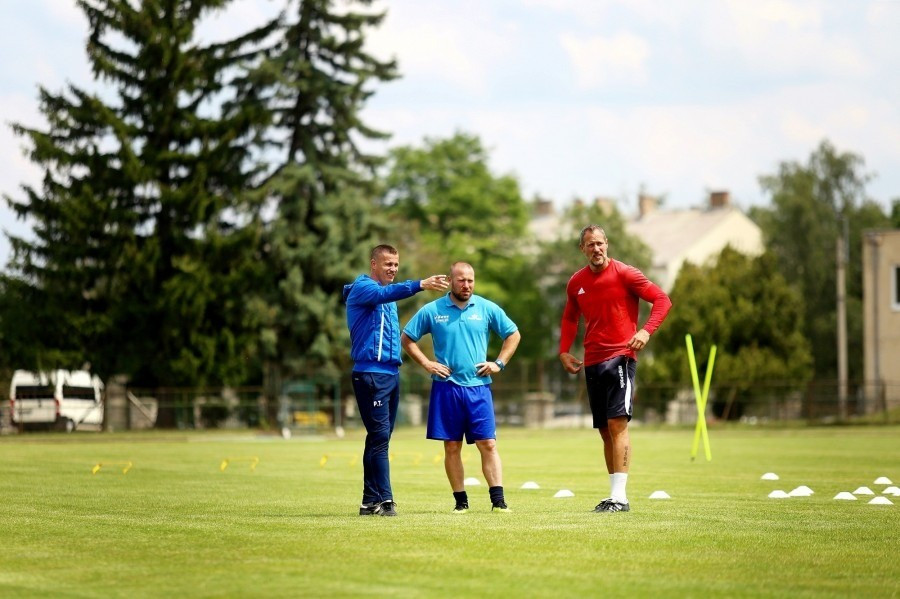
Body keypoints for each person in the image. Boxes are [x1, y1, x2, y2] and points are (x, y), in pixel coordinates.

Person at [559, 225, 672, 513]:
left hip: (621, 357)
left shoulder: (625, 273)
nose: (595, 249)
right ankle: (613, 495)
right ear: (582, 249)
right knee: (604, 431)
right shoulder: (576, 282)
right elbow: (570, 318)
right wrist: (563, 350)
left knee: (617, 423)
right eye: (589, 245)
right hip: (592, 361)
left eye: (599, 243)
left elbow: (662, 300)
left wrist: (646, 331)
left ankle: (621, 497)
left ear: (606, 244)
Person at [401, 262, 521, 513]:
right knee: (452, 446)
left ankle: (498, 502)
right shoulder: (433, 310)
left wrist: (499, 363)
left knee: (488, 443)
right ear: (451, 281)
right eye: (461, 280)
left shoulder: (486, 307)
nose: (466, 285)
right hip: (446, 388)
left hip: (479, 388)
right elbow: (407, 338)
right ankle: (460, 502)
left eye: (470, 281)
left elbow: (513, 334)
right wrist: (427, 364)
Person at [343, 244, 449, 517]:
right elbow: (385, 292)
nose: (393, 268)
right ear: (374, 264)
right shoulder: (364, 289)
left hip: (391, 374)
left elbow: (389, 297)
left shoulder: (386, 298)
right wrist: (420, 284)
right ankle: (386, 500)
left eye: (396, 265)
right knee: (379, 439)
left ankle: (369, 501)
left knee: (379, 439)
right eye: (388, 264)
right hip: (371, 374)